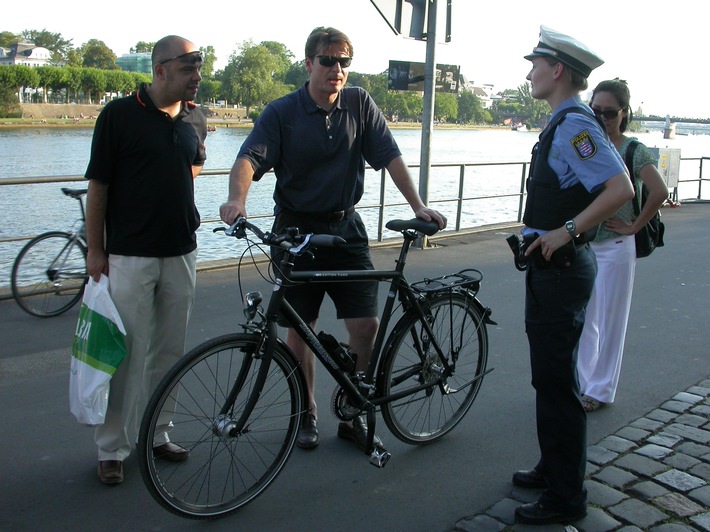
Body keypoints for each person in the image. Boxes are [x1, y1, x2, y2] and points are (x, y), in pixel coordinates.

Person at [219, 26, 446, 453]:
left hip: (346, 230)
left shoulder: (359, 103)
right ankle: (307, 411)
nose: (337, 69)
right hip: (295, 231)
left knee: (365, 325)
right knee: (299, 331)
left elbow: (390, 156)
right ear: (308, 64)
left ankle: (354, 410)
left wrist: (417, 205)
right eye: (328, 60)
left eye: (344, 61)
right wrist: (236, 201)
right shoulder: (282, 112)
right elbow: (248, 158)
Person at [512, 26, 634, 525]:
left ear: (557, 69)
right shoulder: (563, 123)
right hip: (552, 270)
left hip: (561, 270)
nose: (529, 72)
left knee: (558, 382)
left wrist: (565, 231)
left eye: (535, 64)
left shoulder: (573, 126)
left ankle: (566, 497)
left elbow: (619, 187)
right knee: (552, 378)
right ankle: (554, 468)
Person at [84, 35, 207, 485]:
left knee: (170, 352)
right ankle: (111, 447)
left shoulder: (196, 118)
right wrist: (95, 250)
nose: (197, 76)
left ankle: (157, 433)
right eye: (188, 67)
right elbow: (98, 186)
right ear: (160, 70)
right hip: (130, 255)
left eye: (199, 66)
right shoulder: (118, 115)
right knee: (127, 354)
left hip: (181, 252)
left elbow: (192, 165)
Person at [577, 79, 668, 412]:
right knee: (586, 318)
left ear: (624, 113)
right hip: (585, 245)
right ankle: (583, 383)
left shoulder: (632, 149)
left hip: (616, 245)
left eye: (610, 112)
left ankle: (600, 390)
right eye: (595, 111)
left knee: (612, 320)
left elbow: (659, 191)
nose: (602, 118)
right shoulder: (585, 143)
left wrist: (633, 226)